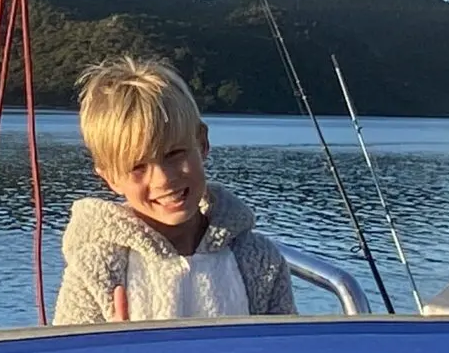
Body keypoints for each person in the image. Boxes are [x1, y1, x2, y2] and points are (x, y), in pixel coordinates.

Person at [54, 54, 295, 324]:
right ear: (110, 177)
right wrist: (112, 350)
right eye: (138, 167)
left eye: (175, 154)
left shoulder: (260, 260)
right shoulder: (95, 268)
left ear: (202, 143)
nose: (163, 179)